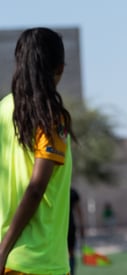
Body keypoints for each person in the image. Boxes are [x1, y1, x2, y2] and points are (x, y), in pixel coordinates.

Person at [0, 27, 76, 275]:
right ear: (60, 69)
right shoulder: (50, 116)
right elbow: (36, 187)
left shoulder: (3, 109)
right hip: (38, 262)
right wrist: (4, 250)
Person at [68, 187, 85, 275]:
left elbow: (79, 211)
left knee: (71, 253)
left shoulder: (72, 192)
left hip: (69, 226)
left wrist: (82, 226)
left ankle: (72, 272)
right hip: (60, 227)